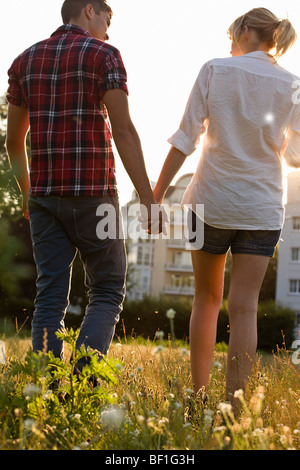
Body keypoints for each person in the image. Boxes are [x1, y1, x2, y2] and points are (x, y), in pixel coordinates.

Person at [153, 8, 300, 411]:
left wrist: (156, 192)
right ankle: (235, 409)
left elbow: (185, 138)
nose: (229, 43)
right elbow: (297, 157)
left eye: (232, 34)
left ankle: (198, 399)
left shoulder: (215, 69)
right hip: (262, 208)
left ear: (246, 31)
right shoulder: (292, 84)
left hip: (209, 203)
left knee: (206, 299)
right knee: (245, 306)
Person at [5, 0, 162, 364]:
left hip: (45, 199)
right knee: (107, 289)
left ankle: (45, 389)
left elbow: (14, 142)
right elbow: (123, 130)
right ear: (90, 9)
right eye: (108, 18)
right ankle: (85, 382)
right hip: (96, 196)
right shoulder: (104, 54)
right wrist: (148, 199)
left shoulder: (24, 61)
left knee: (49, 296)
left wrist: (29, 195)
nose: (109, 29)